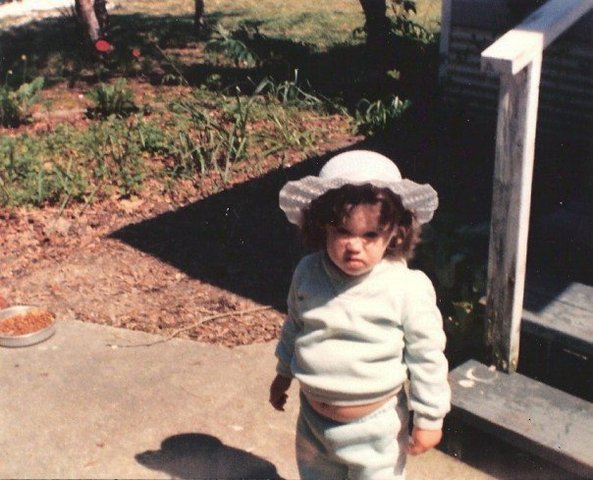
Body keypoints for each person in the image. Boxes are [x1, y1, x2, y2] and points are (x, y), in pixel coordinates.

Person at [269, 150, 451, 480]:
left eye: (370, 235)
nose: (355, 245)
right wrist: (283, 373)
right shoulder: (308, 272)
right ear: (321, 227)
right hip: (313, 421)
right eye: (342, 231)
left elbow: (427, 356)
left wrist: (429, 417)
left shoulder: (405, 287)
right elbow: (294, 326)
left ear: (395, 233)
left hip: (375, 428)